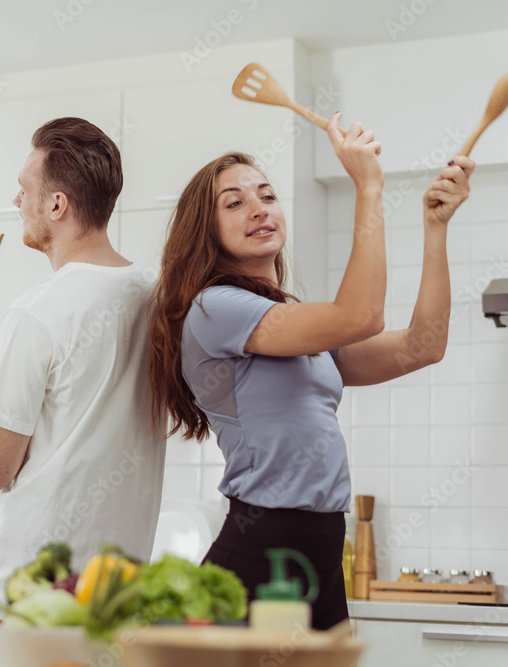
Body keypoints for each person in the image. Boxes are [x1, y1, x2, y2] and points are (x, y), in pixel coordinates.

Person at [147, 113, 473, 630]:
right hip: (262, 547)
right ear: (203, 230)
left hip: (320, 548)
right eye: (234, 203)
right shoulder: (215, 309)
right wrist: (368, 186)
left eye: (267, 196)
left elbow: (421, 347)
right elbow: (360, 315)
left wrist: (435, 227)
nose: (258, 209)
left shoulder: (294, 330)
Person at [0, 117, 165, 621]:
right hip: (116, 596)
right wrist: (12, 354)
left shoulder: (37, 310)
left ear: (57, 205)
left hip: (29, 598)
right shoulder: (155, 295)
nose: (16, 203)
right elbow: (88, 375)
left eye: (24, 190)